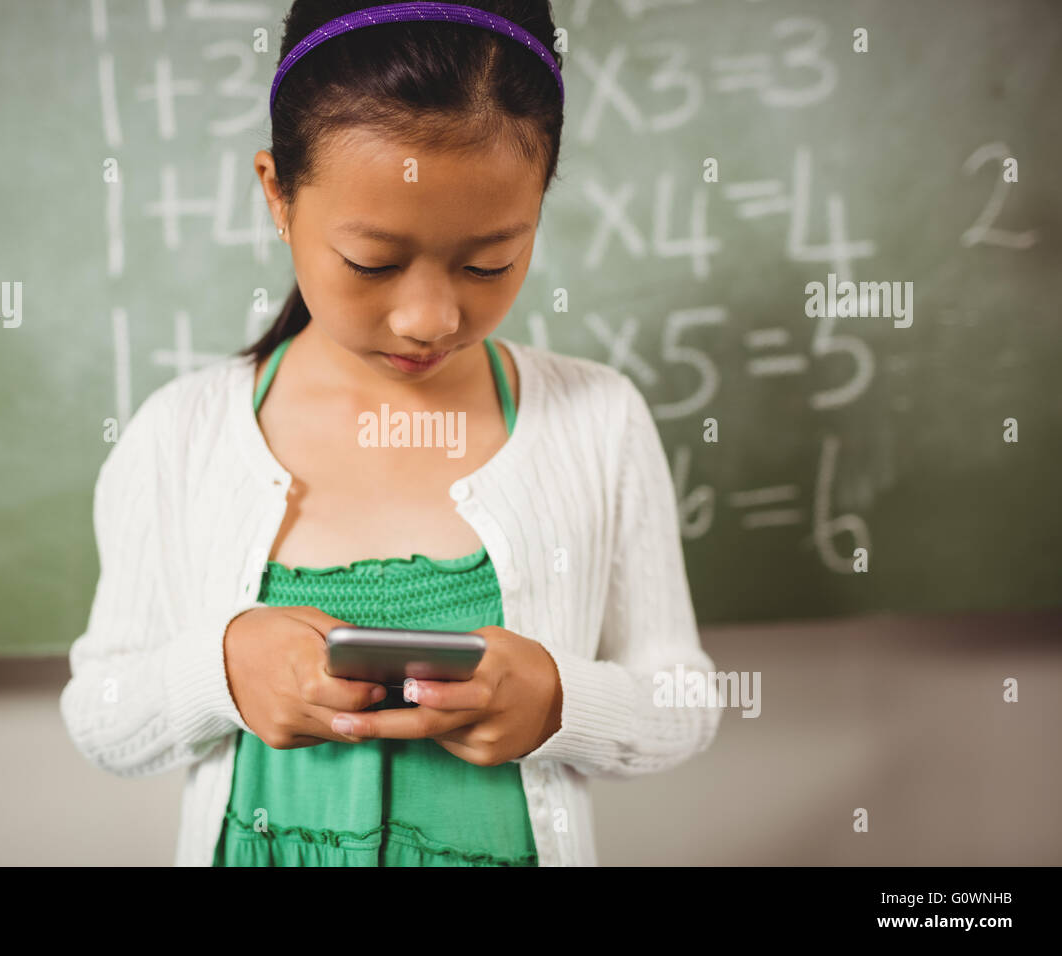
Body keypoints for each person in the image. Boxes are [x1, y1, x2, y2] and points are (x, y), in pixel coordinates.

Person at [60, 0, 722, 867]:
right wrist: (219, 673)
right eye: (372, 263)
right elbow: (101, 715)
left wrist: (561, 700)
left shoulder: (598, 421)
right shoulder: (178, 438)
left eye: (489, 262)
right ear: (277, 195)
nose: (429, 318)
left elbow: (684, 699)